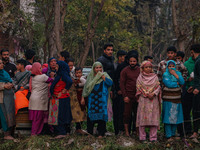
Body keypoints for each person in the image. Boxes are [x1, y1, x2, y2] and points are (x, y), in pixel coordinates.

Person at [81, 62, 113, 138]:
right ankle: (90, 132)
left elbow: (110, 83)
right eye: (97, 68)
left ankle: (101, 133)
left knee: (102, 116)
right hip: (92, 99)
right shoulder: (90, 76)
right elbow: (86, 87)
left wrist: (103, 78)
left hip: (102, 99)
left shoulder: (104, 75)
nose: (98, 69)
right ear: (94, 68)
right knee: (91, 115)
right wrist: (83, 97)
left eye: (100, 67)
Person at [136, 61, 161, 142]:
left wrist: (153, 93)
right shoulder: (140, 77)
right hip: (143, 100)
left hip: (153, 100)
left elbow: (158, 87)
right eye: (146, 67)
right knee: (143, 119)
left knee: (153, 118)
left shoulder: (155, 77)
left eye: (150, 67)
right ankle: (142, 137)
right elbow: (138, 87)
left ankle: (153, 137)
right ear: (143, 68)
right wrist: (146, 94)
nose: (148, 69)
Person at [48, 61, 72, 139]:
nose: (56, 68)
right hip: (57, 98)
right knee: (57, 115)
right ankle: (60, 131)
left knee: (60, 115)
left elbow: (69, 81)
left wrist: (65, 89)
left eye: (57, 67)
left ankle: (62, 132)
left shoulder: (63, 75)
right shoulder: (58, 75)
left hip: (61, 99)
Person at [162, 60, 185, 141]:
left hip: (177, 99)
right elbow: (168, 84)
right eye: (169, 66)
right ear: (167, 67)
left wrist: (175, 75)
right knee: (168, 117)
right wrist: (177, 83)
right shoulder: (165, 74)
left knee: (176, 117)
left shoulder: (178, 73)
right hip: (168, 99)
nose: (171, 68)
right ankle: (168, 135)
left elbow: (182, 82)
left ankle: (173, 134)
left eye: (173, 66)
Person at [28, 62, 54, 136]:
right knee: (38, 119)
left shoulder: (32, 77)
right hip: (39, 100)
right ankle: (34, 133)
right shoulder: (43, 77)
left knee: (35, 119)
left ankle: (35, 133)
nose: (41, 69)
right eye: (40, 68)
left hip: (33, 99)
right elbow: (52, 81)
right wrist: (52, 76)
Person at [120, 54, 140, 136]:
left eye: (134, 61)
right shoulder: (125, 70)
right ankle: (127, 132)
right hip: (128, 95)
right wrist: (125, 96)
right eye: (131, 61)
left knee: (137, 114)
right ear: (128, 61)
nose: (132, 63)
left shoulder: (140, 70)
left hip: (138, 96)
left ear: (137, 61)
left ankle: (137, 131)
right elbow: (122, 84)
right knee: (127, 114)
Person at [68, 62, 86, 135]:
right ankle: (76, 128)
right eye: (77, 73)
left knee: (82, 111)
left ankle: (79, 128)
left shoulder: (82, 79)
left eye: (80, 73)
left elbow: (85, 84)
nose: (78, 74)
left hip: (81, 97)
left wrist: (77, 84)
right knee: (76, 112)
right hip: (75, 98)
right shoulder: (72, 78)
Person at [180, 51, 195, 137]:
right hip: (188, 90)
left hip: (197, 89)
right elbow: (184, 77)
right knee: (186, 111)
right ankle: (188, 130)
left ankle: (196, 130)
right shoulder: (186, 64)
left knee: (196, 111)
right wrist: (189, 79)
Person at [0, 59, 15, 140]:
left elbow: (11, 80)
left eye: (2, 63)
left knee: (10, 113)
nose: (2, 64)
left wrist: (11, 84)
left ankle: (10, 132)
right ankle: (6, 134)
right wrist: (3, 86)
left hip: (9, 97)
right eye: (0, 63)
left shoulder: (4, 73)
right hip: (1, 98)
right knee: (4, 115)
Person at [112, 50, 127, 135]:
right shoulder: (114, 66)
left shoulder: (127, 66)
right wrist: (115, 90)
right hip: (116, 92)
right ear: (118, 57)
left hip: (124, 92)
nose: (122, 58)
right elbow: (113, 79)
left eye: (124, 56)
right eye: (121, 56)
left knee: (124, 112)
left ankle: (123, 129)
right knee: (116, 111)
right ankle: (116, 130)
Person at [190, 44, 200, 139]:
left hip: (198, 91)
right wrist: (193, 86)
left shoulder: (199, 61)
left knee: (196, 110)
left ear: (192, 51)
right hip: (196, 88)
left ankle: (196, 132)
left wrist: (197, 88)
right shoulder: (197, 60)